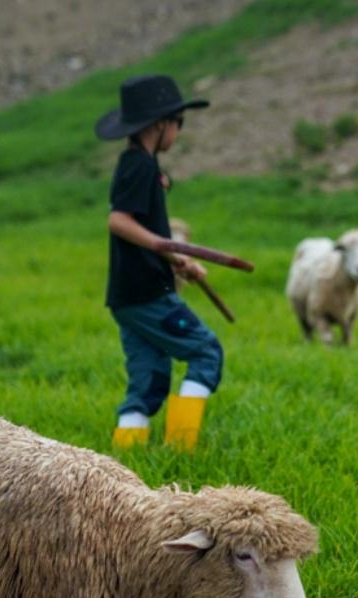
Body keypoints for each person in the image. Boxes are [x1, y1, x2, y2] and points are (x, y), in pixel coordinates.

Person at [95, 74, 222, 451]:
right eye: (178, 122)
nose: (178, 131)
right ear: (160, 124)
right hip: (148, 294)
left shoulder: (134, 163)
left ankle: (127, 455)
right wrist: (161, 244)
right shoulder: (142, 166)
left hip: (126, 296)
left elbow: (145, 231)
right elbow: (119, 221)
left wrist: (177, 259)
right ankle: (181, 448)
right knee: (206, 352)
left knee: (147, 378)